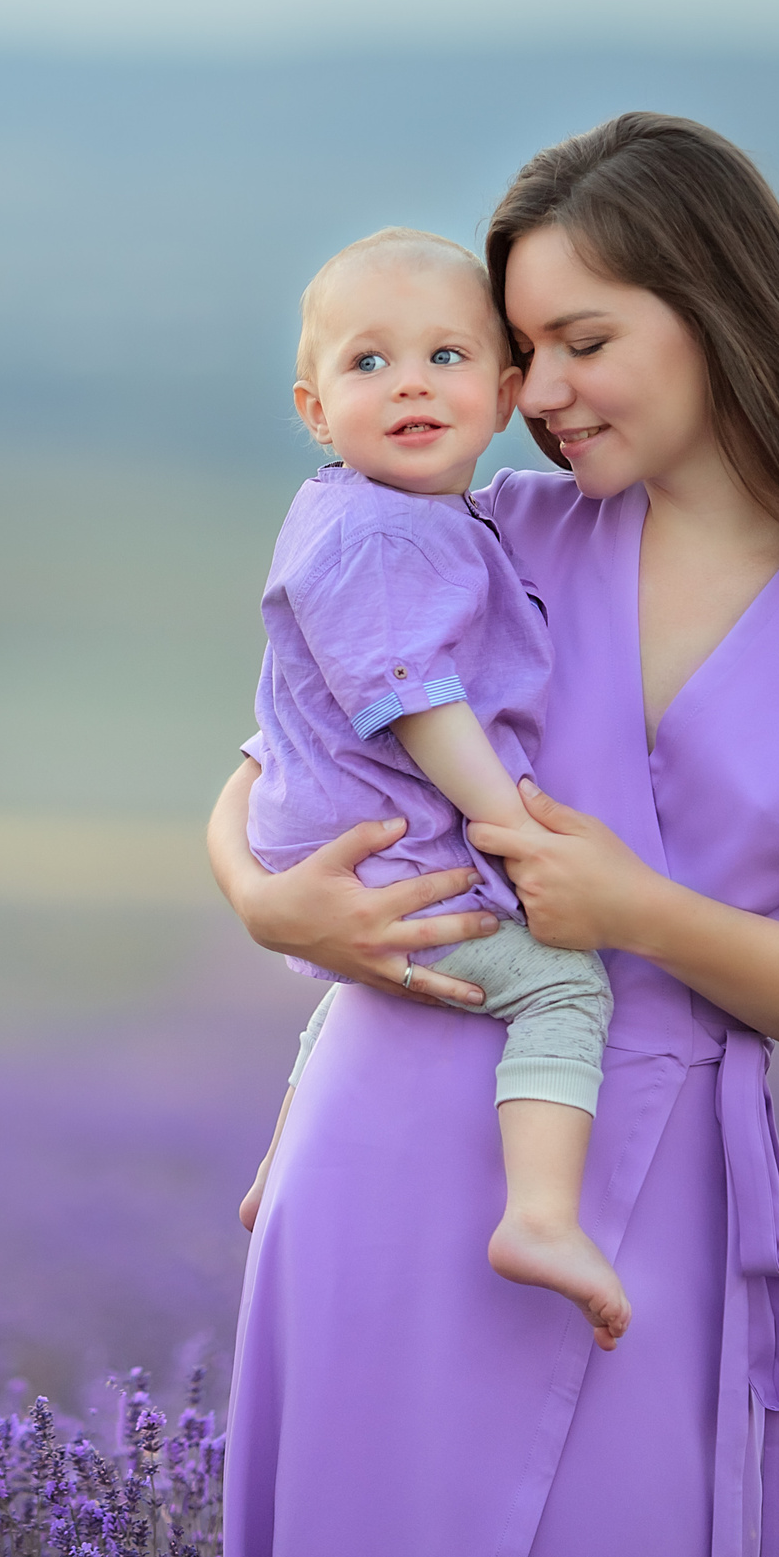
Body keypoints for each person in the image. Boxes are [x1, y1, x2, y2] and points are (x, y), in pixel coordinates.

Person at [205, 113, 779, 1557]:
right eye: (519, 348)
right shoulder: (492, 532)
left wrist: (642, 913)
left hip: (635, 1211)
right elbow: (269, 766)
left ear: (719, 312)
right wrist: (266, 899)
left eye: (581, 340)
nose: (539, 394)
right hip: (379, 1144)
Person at [234, 227, 623, 1348]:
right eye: (368, 364)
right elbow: (416, 698)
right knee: (561, 986)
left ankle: (277, 1168)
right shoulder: (385, 535)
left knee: (346, 994)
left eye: (445, 358)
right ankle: (541, 1216)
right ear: (314, 409)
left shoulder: (383, 514)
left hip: (337, 840)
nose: (408, 381)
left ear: (504, 393)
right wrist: (508, 823)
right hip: (391, 852)